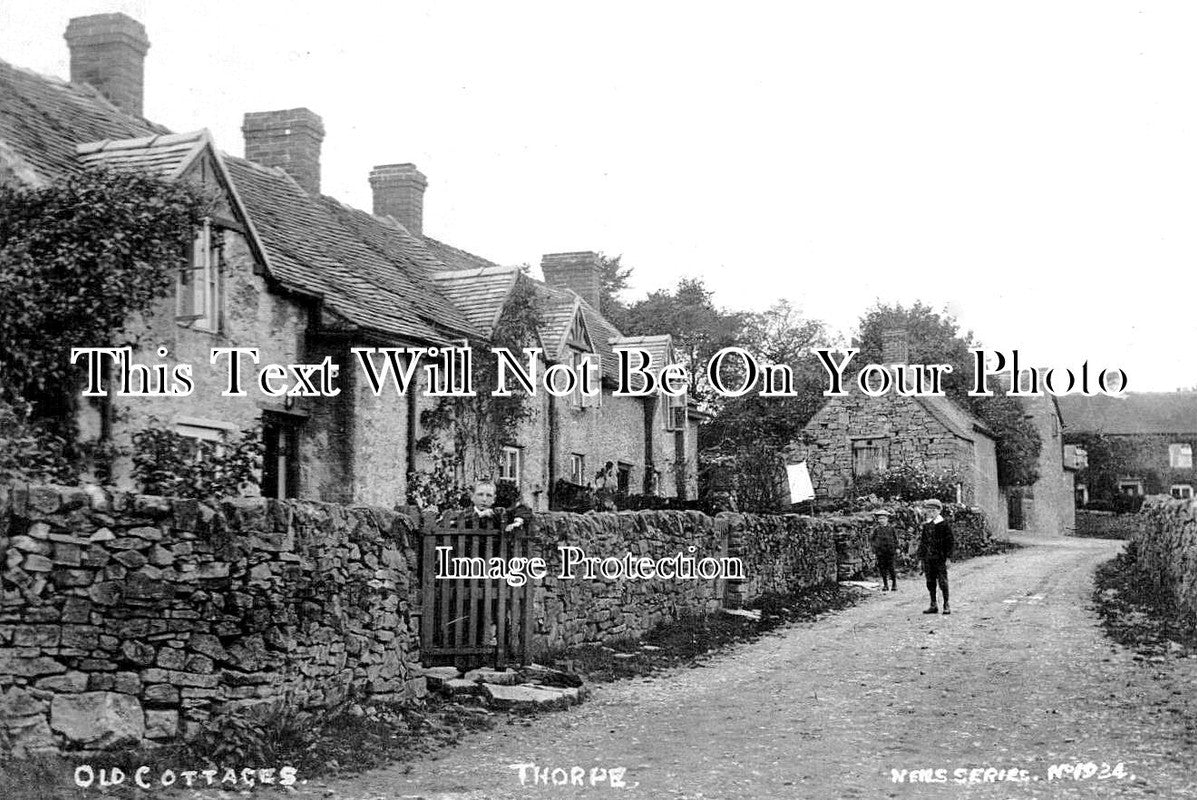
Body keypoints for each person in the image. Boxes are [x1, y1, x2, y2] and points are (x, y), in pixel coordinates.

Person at [917, 498, 954, 614]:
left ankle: (946, 604)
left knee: (943, 582)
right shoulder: (927, 526)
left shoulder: (944, 525)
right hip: (928, 559)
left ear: (939, 511)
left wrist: (948, 558)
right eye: (928, 511)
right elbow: (923, 543)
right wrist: (920, 559)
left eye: (933, 511)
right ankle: (933, 604)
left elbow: (950, 542)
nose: (931, 513)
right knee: (930, 582)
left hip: (940, 558)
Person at [870, 509, 899, 592]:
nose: (881, 520)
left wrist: (897, 548)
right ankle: (885, 584)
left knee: (891, 568)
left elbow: (896, 539)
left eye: (883, 518)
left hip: (890, 551)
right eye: (880, 519)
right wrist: (874, 551)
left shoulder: (891, 529)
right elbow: (872, 540)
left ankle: (894, 584)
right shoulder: (876, 530)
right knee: (882, 568)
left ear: (887, 519)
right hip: (880, 552)